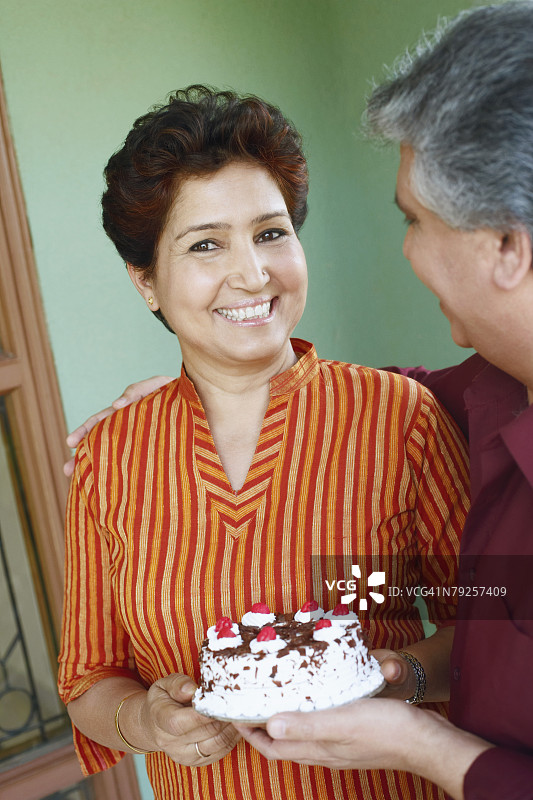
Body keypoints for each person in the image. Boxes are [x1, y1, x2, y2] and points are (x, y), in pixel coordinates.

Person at [58, 86, 469, 800]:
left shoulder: (397, 417)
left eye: (271, 232)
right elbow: (88, 677)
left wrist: (401, 676)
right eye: (206, 243)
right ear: (146, 281)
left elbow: (502, 626)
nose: (251, 273)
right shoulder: (111, 455)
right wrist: (149, 724)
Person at [235, 4, 533, 799]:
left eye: (413, 219)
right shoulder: (492, 391)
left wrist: (421, 747)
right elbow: (397, 396)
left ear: (506, 245)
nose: (405, 249)